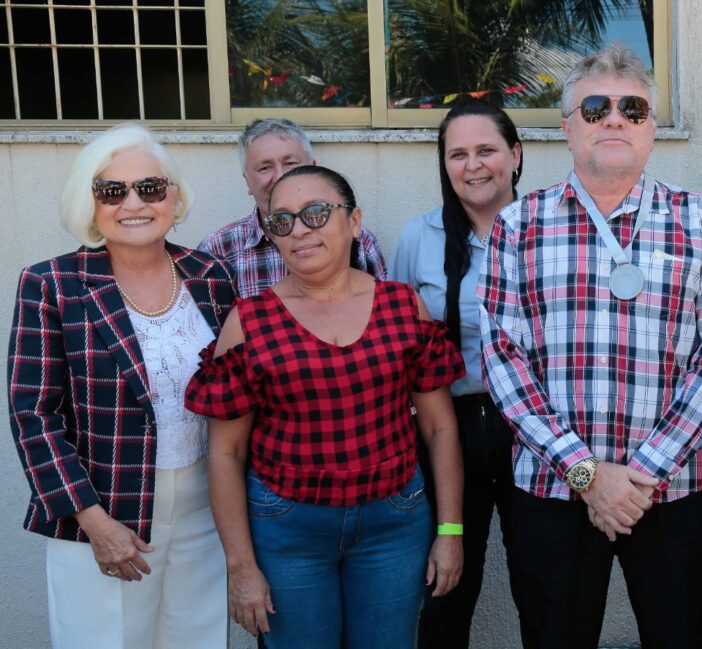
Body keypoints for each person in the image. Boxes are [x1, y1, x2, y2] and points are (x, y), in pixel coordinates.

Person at [479, 44, 702, 649]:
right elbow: (502, 360)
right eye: (595, 108)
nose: (615, 119)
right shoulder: (518, 226)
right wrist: (587, 473)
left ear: (651, 129)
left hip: (672, 489)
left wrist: (639, 476)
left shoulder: (701, 221)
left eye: (633, 109)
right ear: (567, 127)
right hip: (552, 488)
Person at [185, 165, 466, 648]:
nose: (300, 231)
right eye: (282, 221)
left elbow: (440, 429)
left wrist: (451, 529)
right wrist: (241, 566)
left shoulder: (403, 306)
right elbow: (226, 454)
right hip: (286, 529)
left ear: (354, 221)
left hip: (394, 525)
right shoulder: (249, 321)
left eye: (316, 213)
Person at [6, 123, 235, 648]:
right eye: (112, 191)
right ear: (90, 204)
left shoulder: (210, 276)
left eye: (150, 187)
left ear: (173, 197)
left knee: (196, 641)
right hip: (102, 512)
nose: (134, 202)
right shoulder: (52, 284)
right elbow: (33, 414)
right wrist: (93, 521)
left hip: (205, 508)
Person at [390, 97, 524, 649]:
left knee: (547, 582)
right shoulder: (418, 239)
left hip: (535, 434)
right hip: (450, 431)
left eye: (487, 150)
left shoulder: (551, 229)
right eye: (458, 154)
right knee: (446, 588)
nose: (473, 165)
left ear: (515, 155)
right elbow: (402, 347)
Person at [199, 117, 388, 298]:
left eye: (290, 163)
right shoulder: (218, 249)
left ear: (313, 169)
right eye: (265, 168)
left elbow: (382, 311)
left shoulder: (358, 239)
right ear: (247, 182)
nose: (280, 176)